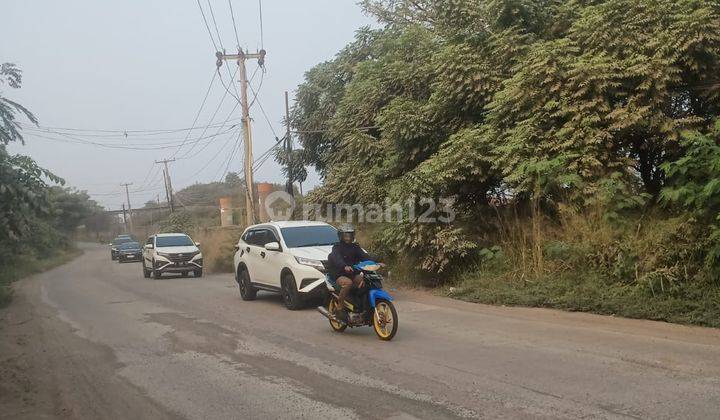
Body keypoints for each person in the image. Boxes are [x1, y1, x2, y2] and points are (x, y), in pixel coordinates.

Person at [327, 224, 381, 318]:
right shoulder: (337, 247)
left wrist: (376, 263)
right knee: (348, 283)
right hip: (339, 274)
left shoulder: (355, 247)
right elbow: (337, 258)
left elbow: (364, 256)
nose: (348, 237)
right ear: (341, 236)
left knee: (366, 281)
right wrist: (344, 266)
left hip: (352, 273)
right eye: (345, 235)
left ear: (353, 236)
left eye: (350, 235)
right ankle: (340, 307)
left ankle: (362, 306)